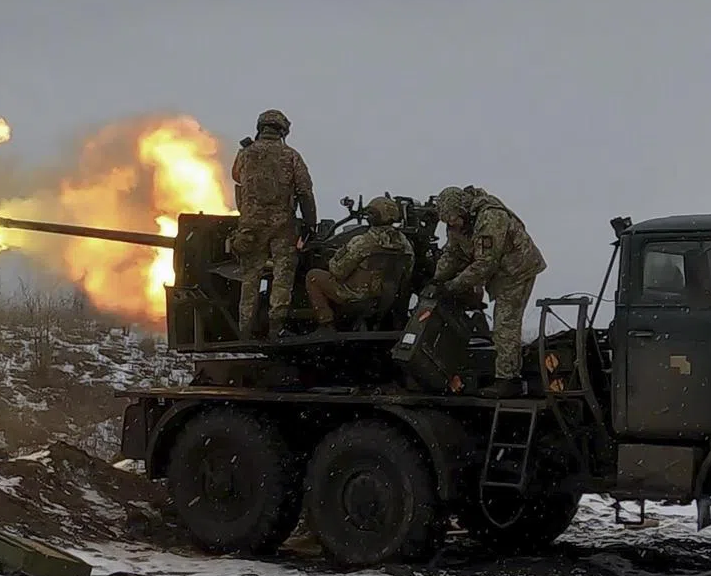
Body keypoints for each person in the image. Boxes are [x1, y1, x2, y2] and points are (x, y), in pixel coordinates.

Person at [432, 185, 547, 398]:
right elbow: (452, 253)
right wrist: (437, 280)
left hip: (517, 270)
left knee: (505, 324)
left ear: (462, 210)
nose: (451, 224)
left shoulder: (491, 217)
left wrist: (453, 286)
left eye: (454, 219)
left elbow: (485, 263)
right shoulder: (456, 223)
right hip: (499, 273)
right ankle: (506, 372)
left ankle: (508, 380)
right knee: (502, 325)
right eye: (447, 221)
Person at [230, 109, 317, 339]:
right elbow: (305, 191)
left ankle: (245, 330)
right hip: (282, 226)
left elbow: (237, 176)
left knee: (250, 278)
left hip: (250, 226)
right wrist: (310, 224)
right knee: (282, 276)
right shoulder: (291, 155)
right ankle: (275, 329)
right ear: (283, 131)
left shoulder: (245, 154)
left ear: (261, 128)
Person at [305, 196, 414, 333]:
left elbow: (338, 271)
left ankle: (326, 324)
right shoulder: (405, 244)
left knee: (313, 276)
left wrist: (333, 259)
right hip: (386, 299)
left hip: (356, 297)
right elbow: (407, 274)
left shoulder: (363, 242)